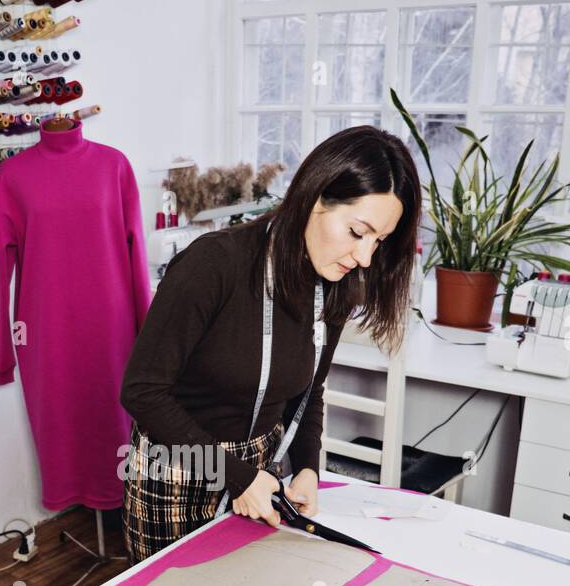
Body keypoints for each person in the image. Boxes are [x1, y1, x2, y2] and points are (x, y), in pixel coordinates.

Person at [119, 124, 421, 563]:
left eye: (379, 241)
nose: (365, 258)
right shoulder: (212, 266)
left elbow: (309, 389)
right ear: (316, 198)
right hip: (179, 466)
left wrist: (307, 468)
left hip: (260, 472)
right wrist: (235, 475)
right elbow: (142, 390)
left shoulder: (335, 284)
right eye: (358, 232)